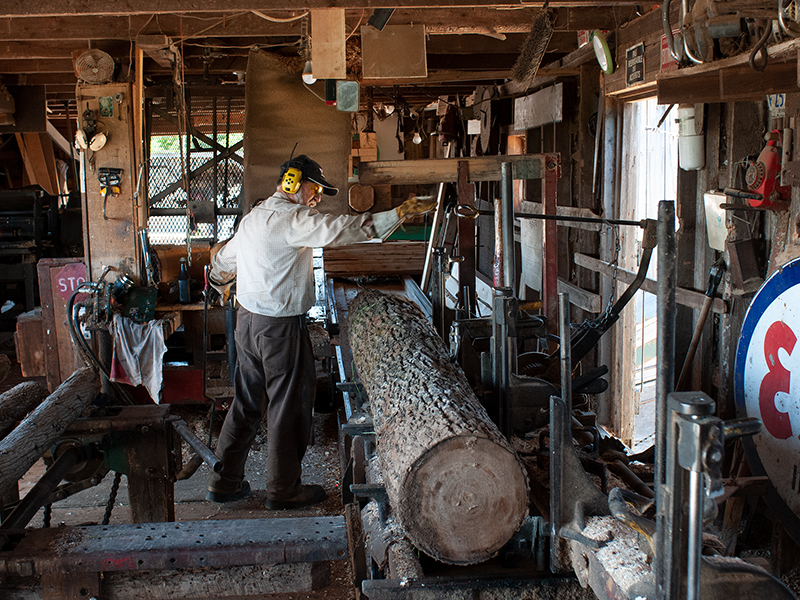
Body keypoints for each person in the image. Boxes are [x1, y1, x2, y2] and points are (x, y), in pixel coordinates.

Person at [206, 154, 435, 509]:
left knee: (248, 401)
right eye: (314, 190)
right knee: (290, 405)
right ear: (293, 183)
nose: (316, 198)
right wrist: (397, 214)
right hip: (278, 329)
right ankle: (283, 490)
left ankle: (223, 481)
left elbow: (222, 262)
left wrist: (216, 279)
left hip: (247, 324)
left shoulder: (254, 218)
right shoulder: (293, 218)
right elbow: (344, 229)